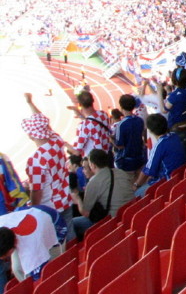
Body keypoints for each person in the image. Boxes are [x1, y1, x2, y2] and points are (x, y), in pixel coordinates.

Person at [20, 94, 73, 240]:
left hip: (50, 208)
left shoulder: (36, 161)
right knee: (70, 236)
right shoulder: (56, 140)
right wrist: (30, 103)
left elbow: (36, 192)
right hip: (65, 198)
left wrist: (34, 209)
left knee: (55, 241)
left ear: (31, 136)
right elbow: (44, 124)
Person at [69, 149, 134, 239]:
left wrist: (78, 200)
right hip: (131, 215)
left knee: (73, 223)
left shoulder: (93, 182)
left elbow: (85, 212)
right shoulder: (120, 172)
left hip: (113, 222)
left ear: (92, 165)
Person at [0, 207, 59, 287]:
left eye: (4, 257)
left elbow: (40, 282)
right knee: (17, 268)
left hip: (54, 222)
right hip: (23, 224)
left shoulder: (31, 250)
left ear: (10, 250)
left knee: (53, 268)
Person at [133, 114, 185, 196]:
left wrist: (136, 185)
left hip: (168, 182)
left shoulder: (159, 145)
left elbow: (148, 170)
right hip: (180, 176)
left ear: (150, 130)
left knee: (137, 194)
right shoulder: (175, 136)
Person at [70, 90, 111, 158]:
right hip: (107, 154)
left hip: (95, 160)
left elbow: (77, 151)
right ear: (92, 101)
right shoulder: (103, 114)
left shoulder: (83, 125)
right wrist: (80, 115)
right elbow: (92, 123)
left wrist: (64, 144)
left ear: (80, 105)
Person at [112, 94, 146, 173]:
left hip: (127, 162)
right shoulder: (140, 120)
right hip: (140, 157)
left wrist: (111, 139)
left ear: (121, 107)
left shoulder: (121, 124)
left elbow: (120, 146)